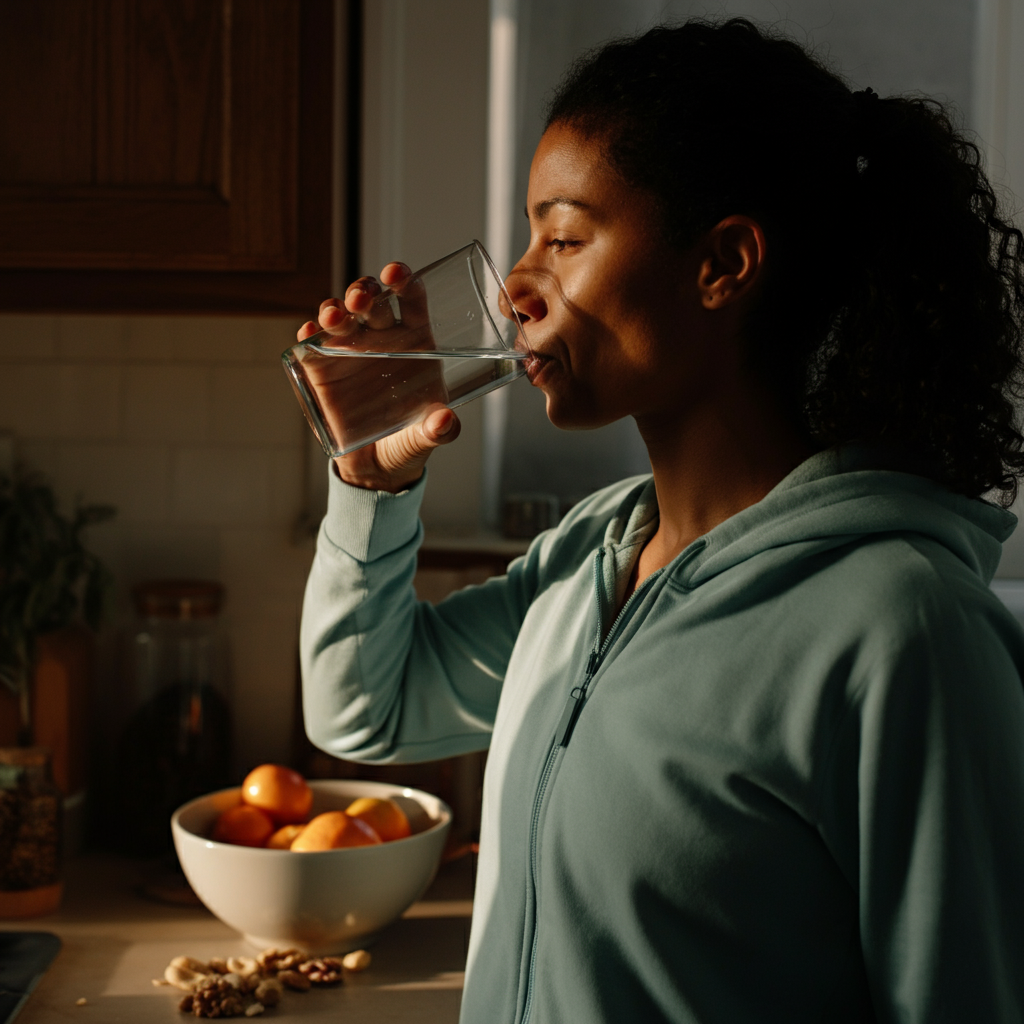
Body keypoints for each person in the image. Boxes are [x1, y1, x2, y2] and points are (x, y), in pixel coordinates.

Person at [297, 19, 1024, 1024]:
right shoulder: (592, 557)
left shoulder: (906, 632)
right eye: (526, 236)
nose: (514, 286)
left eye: (562, 236)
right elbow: (364, 710)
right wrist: (371, 484)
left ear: (722, 263)